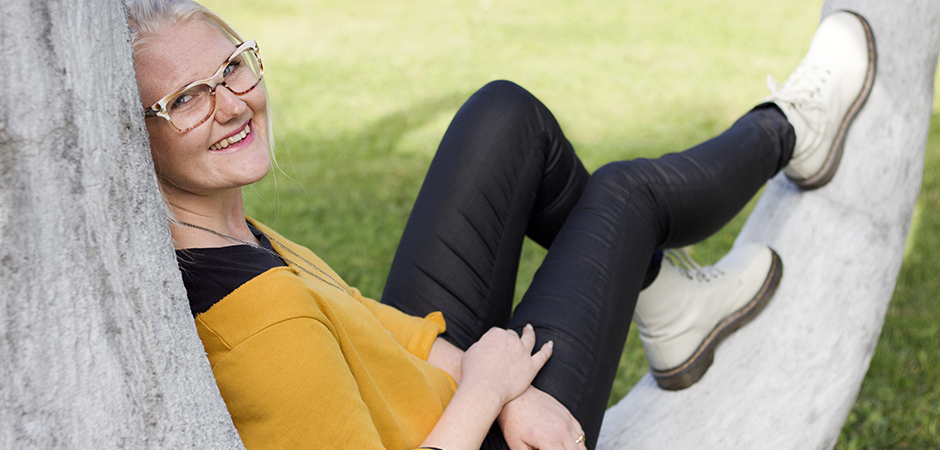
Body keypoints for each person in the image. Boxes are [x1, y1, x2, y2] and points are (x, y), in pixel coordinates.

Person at [126, 0, 876, 448]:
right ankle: (791, 128)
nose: (230, 103)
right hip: (477, 437)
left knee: (503, 117)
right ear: (136, 137)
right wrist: (491, 393)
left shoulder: (228, 234)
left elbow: (376, 326)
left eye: (233, 67)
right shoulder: (258, 326)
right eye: (185, 99)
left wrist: (501, 382)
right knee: (624, 197)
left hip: (438, 396)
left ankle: (669, 304)